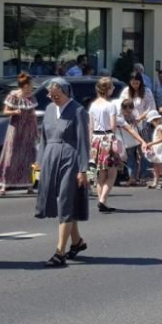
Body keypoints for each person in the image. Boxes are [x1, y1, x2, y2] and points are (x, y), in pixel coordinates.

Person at [36, 78, 91, 267]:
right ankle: (77, 242)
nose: (53, 98)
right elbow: (43, 137)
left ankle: (60, 252)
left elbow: (83, 142)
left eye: (57, 95)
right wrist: (39, 162)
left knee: (66, 202)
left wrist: (83, 169)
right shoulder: (50, 109)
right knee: (61, 202)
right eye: (51, 95)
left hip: (70, 160)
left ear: (66, 92)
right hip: (51, 158)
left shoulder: (78, 111)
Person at [0, 72, 38, 196]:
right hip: (15, 128)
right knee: (10, 156)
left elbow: (33, 114)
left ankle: (29, 185)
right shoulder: (13, 95)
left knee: (28, 156)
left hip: (28, 129)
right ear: (25, 85)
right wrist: (14, 111)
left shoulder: (31, 97)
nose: (31, 86)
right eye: (30, 84)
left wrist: (36, 129)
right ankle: (4, 185)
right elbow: (5, 111)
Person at [88, 78, 120, 212]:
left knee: (101, 174)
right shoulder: (110, 106)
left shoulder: (93, 105)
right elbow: (112, 126)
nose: (113, 89)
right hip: (107, 138)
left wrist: (91, 143)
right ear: (108, 89)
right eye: (112, 87)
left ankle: (103, 202)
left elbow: (91, 126)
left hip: (96, 139)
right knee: (112, 173)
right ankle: (102, 200)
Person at [117, 99, 147, 186]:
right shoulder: (119, 115)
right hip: (128, 139)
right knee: (131, 158)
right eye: (127, 111)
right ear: (123, 108)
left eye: (130, 110)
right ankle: (133, 177)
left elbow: (138, 124)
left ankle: (137, 177)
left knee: (138, 157)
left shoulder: (134, 112)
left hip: (135, 138)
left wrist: (137, 121)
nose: (129, 113)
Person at [143, 110, 162, 189]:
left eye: (153, 121)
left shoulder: (159, 127)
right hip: (157, 148)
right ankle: (155, 182)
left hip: (160, 149)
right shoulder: (158, 127)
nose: (152, 122)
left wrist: (151, 143)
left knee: (161, 166)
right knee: (156, 167)